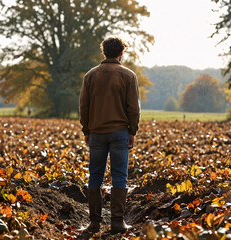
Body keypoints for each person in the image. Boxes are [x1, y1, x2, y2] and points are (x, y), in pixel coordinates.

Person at [79, 37, 140, 234]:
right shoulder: (129, 76)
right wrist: (132, 131)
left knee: (95, 175)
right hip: (120, 133)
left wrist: (86, 130)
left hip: (96, 133)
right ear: (121, 53)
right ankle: (117, 222)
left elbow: (84, 106)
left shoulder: (90, 75)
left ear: (103, 52)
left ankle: (94, 222)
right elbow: (133, 108)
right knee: (119, 176)